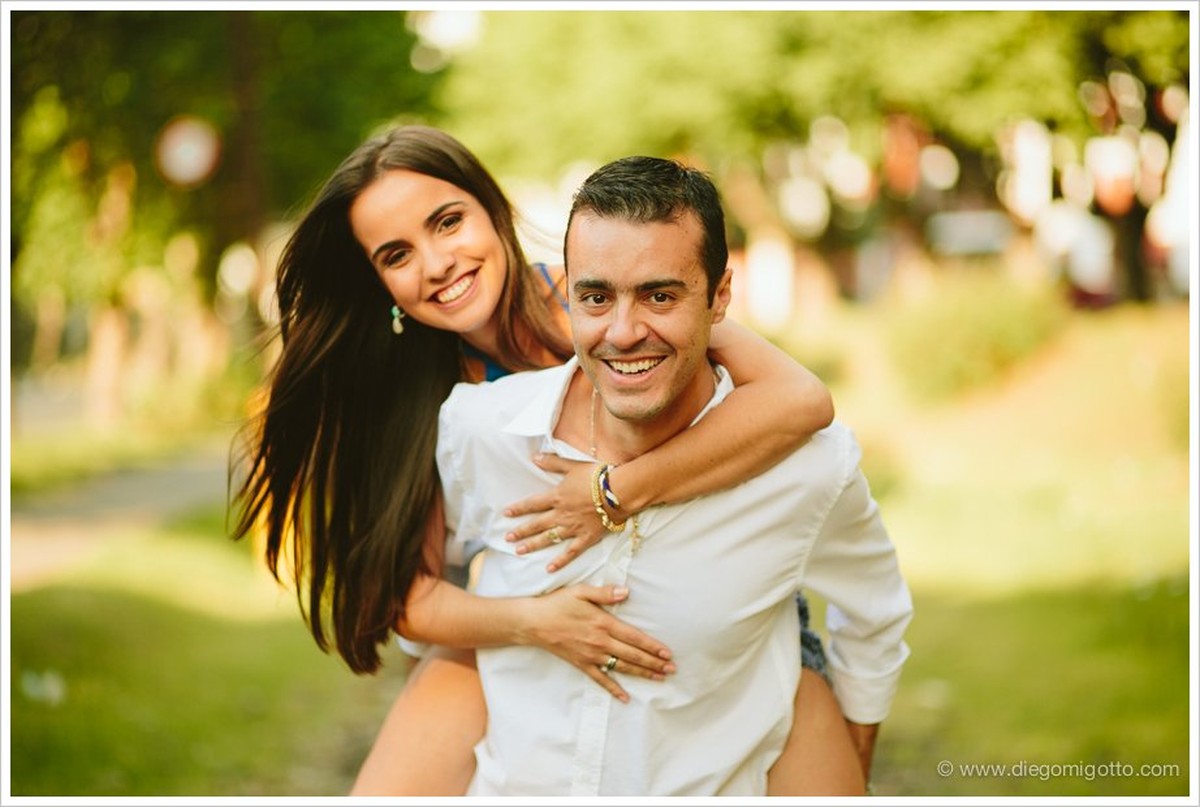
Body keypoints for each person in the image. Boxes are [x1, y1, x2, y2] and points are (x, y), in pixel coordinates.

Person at [231, 126, 853, 795]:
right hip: (518, 616)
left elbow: (801, 399)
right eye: (397, 254)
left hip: (719, 608)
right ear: (379, 280)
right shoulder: (413, 397)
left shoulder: (605, 303)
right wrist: (535, 620)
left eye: (447, 222)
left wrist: (615, 490)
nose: (437, 262)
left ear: (490, 210)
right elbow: (408, 600)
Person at [427, 155, 912, 795]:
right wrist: (518, 624)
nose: (624, 333)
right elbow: (425, 599)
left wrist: (848, 760)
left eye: (660, 295)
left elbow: (873, 614)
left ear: (720, 298)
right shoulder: (480, 431)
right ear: (568, 292)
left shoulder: (809, 466)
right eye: (597, 297)